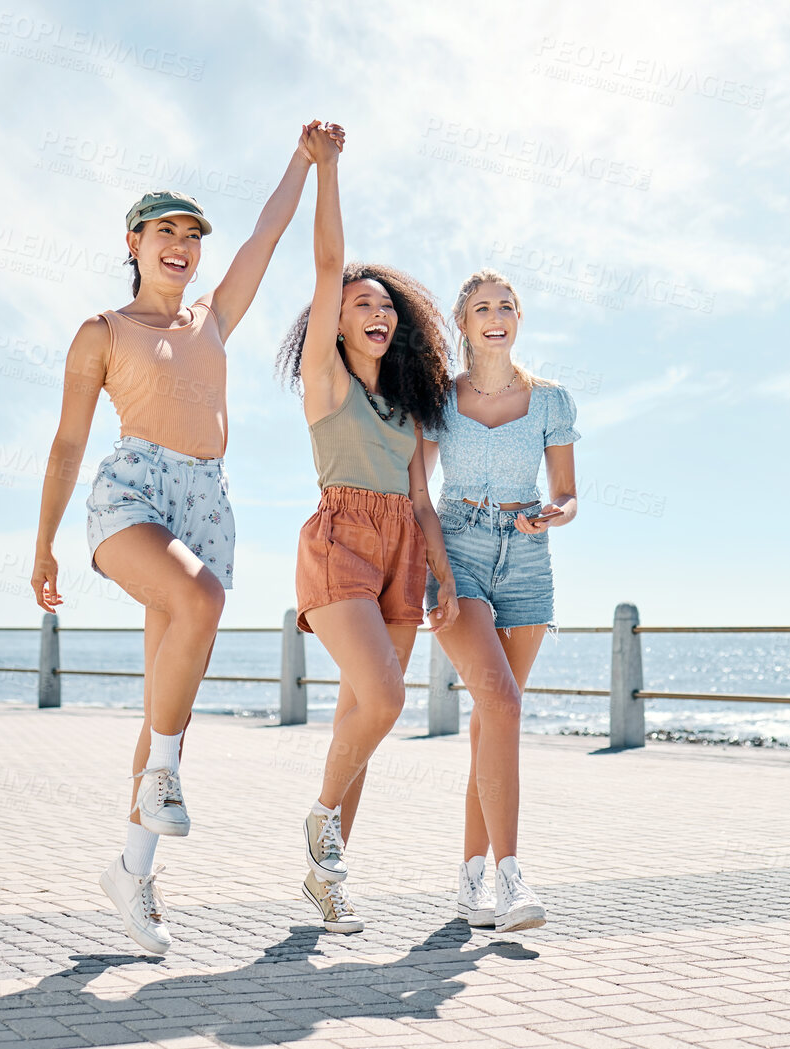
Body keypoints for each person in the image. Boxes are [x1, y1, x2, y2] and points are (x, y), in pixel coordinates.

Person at [30, 121, 341, 955]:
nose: (182, 243)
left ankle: (132, 874)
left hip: (204, 499)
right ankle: (162, 776)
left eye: (191, 234)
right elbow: (67, 442)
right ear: (133, 242)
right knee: (197, 596)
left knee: (168, 699)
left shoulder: (212, 319)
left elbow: (269, 235)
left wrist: (306, 161)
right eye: (164, 230)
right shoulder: (101, 331)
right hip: (131, 492)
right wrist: (44, 544)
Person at [274, 125, 455, 933]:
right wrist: (328, 169)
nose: (374, 311)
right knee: (381, 697)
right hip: (341, 539)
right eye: (359, 304)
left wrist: (443, 573)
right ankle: (321, 818)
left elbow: (421, 497)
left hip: (403, 552)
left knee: (365, 717)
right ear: (336, 323)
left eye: (385, 304)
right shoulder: (324, 379)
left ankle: (328, 874)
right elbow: (323, 265)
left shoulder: (410, 405)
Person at [421, 269, 579, 932]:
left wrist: (553, 513)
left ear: (519, 319)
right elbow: (414, 494)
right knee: (503, 703)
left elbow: (568, 493)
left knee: (493, 721)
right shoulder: (437, 399)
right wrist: (437, 573)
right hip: (457, 553)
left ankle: (468, 882)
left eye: (506, 306)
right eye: (482, 307)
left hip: (527, 560)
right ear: (463, 321)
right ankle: (511, 876)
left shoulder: (550, 400)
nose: (496, 316)